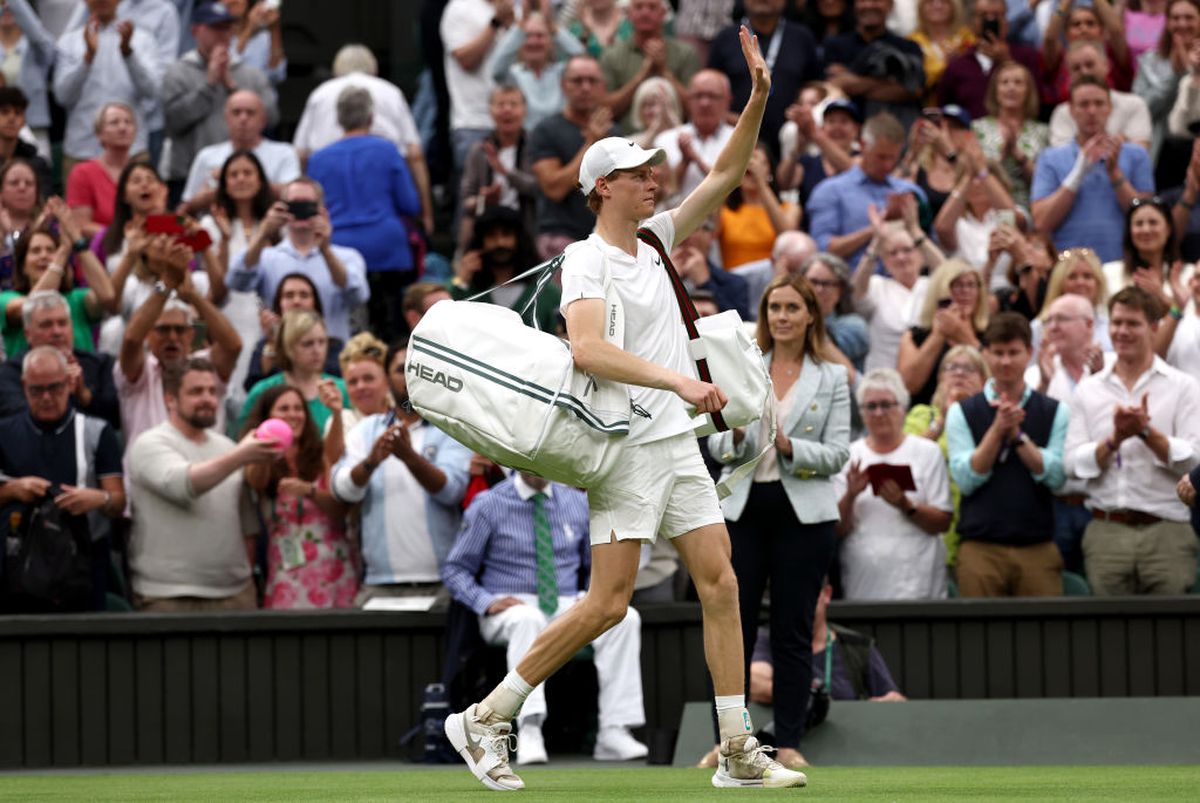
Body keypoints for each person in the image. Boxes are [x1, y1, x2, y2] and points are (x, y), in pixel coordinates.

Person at [443, 28, 809, 792]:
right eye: (639, 173)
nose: (654, 180)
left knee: (721, 581)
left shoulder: (657, 239)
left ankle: (737, 748)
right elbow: (585, 349)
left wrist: (760, 98)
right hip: (624, 447)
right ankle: (485, 715)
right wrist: (676, 382)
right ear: (603, 187)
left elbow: (726, 172)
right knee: (608, 602)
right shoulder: (586, 260)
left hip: (674, 443)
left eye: (652, 171)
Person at [708, 273, 850, 770]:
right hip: (743, 510)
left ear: (811, 315)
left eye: (792, 308)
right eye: (774, 308)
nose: (782, 317)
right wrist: (740, 437)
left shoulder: (832, 376)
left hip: (804, 516)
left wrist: (791, 447)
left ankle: (788, 741)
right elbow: (716, 444)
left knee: (792, 631)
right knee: (732, 628)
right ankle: (729, 743)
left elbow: (837, 454)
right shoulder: (744, 367)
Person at [443, 471, 648, 765]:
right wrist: (486, 602)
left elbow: (596, 564)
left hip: (566, 601)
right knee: (527, 619)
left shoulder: (577, 503)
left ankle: (614, 730)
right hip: (509, 604)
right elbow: (455, 569)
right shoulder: (488, 504)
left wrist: (591, 593)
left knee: (625, 618)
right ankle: (528, 728)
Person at [1064, 286, 1200, 594]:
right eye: (1116, 323)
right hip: (1106, 529)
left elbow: (1195, 463)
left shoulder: (1183, 387)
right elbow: (1071, 465)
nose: (1122, 331)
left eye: (1133, 323)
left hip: (1167, 530)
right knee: (1109, 637)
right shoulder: (1088, 389)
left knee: (1171, 635)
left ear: (1154, 327)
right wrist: (1114, 440)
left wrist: (1146, 433)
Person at [127, 356, 277, 611]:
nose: (208, 399)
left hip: (235, 595)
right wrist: (242, 455)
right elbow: (184, 485)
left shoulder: (227, 447)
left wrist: (245, 577)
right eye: (196, 391)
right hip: (168, 596)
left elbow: (247, 524)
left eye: (212, 391)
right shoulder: (149, 444)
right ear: (170, 399)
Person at [331, 341, 471, 600]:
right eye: (400, 369)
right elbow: (341, 489)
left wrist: (409, 457)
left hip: (442, 583)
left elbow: (452, 491)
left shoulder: (450, 428)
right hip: (379, 584)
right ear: (386, 379)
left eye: (417, 367)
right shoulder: (367, 429)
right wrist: (371, 462)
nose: (409, 374)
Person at [944, 313, 1068, 596]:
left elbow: (1057, 477)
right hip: (980, 549)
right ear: (985, 354)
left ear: (1030, 353)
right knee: (978, 637)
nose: (1005, 361)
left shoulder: (1054, 410)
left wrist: (1018, 437)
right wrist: (998, 430)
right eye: (998, 353)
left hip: (1037, 546)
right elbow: (965, 479)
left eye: (1014, 353)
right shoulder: (962, 411)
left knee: (1045, 635)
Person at [0, 346, 124, 612]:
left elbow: (118, 502)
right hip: (18, 566)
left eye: (55, 388)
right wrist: (12, 490)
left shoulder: (96, 431)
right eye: (36, 390)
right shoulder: (4, 432)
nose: (46, 397)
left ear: (70, 383)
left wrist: (97, 498)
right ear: (23, 386)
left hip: (83, 561)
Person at [117, 235, 241, 468]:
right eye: (163, 330)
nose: (172, 337)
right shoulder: (140, 371)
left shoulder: (204, 367)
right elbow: (132, 339)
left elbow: (233, 346)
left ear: (191, 335)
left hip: (206, 480)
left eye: (179, 330)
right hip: (147, 483)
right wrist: (166, 283)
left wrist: (193, 295)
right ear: (149, 334)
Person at [307, 87, 420, 342]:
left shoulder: (318, 159)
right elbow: (410, 204)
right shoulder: (387, 150)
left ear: (338, 120)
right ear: (371, 118)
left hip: (338, 252)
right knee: (392, 330)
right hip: (387, 250)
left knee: (347, 330)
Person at [834, 368, 955, 598]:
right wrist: (850, 495)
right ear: (861, 412)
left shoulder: (927, 452)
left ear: (902, 407)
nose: (879, 413)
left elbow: (943, 521)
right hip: (864, 582)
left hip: (919, 581)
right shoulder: (849, 456)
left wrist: (905, 504)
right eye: (871, 406)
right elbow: (837, 529)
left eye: (886, 404)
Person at [292, 44, 432, 237]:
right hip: (385, 204)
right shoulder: (391, 92)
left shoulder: (320, 94)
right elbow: (415, 154)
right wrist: (427, 214)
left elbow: (301, 154)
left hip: (330, 203)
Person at [242, 384, 356, 609]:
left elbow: (340, 508)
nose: (293, 415)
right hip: (286, 575)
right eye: (283, 409)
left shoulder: (320, 454)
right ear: (268, 416)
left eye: (298, 408)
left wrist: (310, 491)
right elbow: (256, 482)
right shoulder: (259, 458)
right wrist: (266, 444)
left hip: (334, 569)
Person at [227, 178, 369, 344]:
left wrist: (325, 250)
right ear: (282, 207)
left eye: (307, 205)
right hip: (283, 354)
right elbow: (236, 281)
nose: (301, 212)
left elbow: (358, 296)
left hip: (330, 354)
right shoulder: (267, 257)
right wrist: (263, 233)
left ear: (321, 210)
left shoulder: (347, 257)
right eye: (294, 205)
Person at [161, 1, 277, 202]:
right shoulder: (177, 72)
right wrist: (210, 85)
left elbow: (272, 117)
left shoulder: (250, 74)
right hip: (190, 177)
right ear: (196, 30)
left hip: (244, 178)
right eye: (214, 28)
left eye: (226, 28)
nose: (222, 34)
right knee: (188, 230)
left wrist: (233, 88)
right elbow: (173, 122)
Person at [1031, 76, 1154, 264]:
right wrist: (1078, 172)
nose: (1092, 111)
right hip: (1070, 271)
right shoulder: (1050, 158)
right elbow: (1041, 222)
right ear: (1071, 110)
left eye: (1099, 103)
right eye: (1083, 104)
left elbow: (1147, 219)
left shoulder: (1136, 154)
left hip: (1124, 267)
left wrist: (1116, 175)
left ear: (1110, 108)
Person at [1026, 294, 1110, 572]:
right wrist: (1045, 385)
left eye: (1062, 319)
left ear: (1088, 324)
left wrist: (1100, 381)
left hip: (1103, 506)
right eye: (1049, 321)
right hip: (1054, 504)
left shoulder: (1114, 367)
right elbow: (1023, 435)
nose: (1052, 327)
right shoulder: (1033, 377)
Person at [749, 581, 906, 706]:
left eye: (807, 593)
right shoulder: (765, 639)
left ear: (827, 594)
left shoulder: (857, 647)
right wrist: (812, 698)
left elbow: (895, 702)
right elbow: (756, 683)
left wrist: (890, 703)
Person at [52, 0, 162, 175]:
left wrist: (128, 53)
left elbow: (152, 92)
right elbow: (62, 96)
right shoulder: (69, 42)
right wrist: (87, 58)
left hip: (131, 151)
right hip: (82, 150)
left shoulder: (142, 39)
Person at [904, 345, 989, 568]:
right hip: (930, 521)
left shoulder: (992, 418)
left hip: (977, 525)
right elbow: (906, 458)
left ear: (983, 379)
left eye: (969, 368)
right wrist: (942, 420)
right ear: (940, 377)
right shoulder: (922, 414)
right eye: (951, 367)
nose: (959, 373)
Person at [806, 112, 928, 266]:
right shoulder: (830, 191)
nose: (888, 165)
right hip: (851, 284)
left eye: (893, 158)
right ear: (863, 145)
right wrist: (874, 231)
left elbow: (930, 249)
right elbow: (822, 251)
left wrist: (913, 227)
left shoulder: (910, 193)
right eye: (881, 157)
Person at [201, 148, 274, 402]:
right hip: (229, 314)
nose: (241, 179)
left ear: (260, 180)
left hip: (267, 316)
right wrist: (224, 239)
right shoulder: (209, 226)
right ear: (224, 183)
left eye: (247, 173)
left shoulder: (274, 224)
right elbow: (218, 286)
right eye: (234, 174)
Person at [527, 54, 617, 261]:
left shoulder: (614, 132)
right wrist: (591, 142)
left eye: (592, 81)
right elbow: (554, 189)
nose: (585, 87)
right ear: (563, 85)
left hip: (605, 241)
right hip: (561, 240)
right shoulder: (545, 130)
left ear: (602, 86)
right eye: (577, 81)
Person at [2, 202, 116, 356]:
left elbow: (108, 297)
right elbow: (33, 308)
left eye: (50, 250)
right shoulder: (6, 299)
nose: (44, 255)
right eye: (36, 251)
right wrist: (62, 251)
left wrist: (76, 239)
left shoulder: (77, 299)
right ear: (23, 266)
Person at [707, 0, 820, 150]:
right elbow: (709, 89)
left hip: (791, 140)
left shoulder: (802, 38)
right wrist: (725, 116)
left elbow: (815, 86)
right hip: (736, 138)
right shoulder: (725, 38)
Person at [0, 291, 119, 427]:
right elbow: (14, 419)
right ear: (28, 334)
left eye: (62, 323)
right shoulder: (8, 373)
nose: (57, 332)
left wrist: (85, 396)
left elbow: (117, 418)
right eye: (46, 325)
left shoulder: (100, 364)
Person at [851, 205, 941, 373]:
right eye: (892, 253)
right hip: (883, 381)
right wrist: (876, 242)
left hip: (927, 377)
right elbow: (855, 294)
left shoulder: (931, 285)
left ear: (920, 254)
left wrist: (915, 231)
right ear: (884, 261)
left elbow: (950, 276)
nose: (901, 257)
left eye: (907, 250)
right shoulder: (877, 285)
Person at [179, 90, 299, 214]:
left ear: (263, 120)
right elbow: (183, 211)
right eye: (236, 112)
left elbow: (294, 196)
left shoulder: (285, 152)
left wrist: (250, 181)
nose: (243, 118)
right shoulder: (207, 156)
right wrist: (213, 191)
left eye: (250, 113)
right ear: (226, 119)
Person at [450, 205, 562, 333]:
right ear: (480, 242)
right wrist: (460, 280)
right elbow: (442, 315)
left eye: (506, 234)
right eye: (492, 236)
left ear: (519, 240)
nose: (500, 243)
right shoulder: (466, 289)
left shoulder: (546, 292)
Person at [238, 309, 348, 436]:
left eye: (322, 342)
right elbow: (245, 437)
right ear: (289, 347)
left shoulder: (341, 389)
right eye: (308, 344)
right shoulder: (263, 390)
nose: (317, 350)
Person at [456, 84, 538, 254]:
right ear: (491, 111)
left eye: (513, 105)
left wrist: (506, 172)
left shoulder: (536, 147)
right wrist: (483, 199)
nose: (507, 110)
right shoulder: (479, 150)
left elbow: (540, 189)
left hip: (526, 224)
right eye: (500, 105)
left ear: (525, 111)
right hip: (488, 224)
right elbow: (466, 200)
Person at [821, 0, 927, 131]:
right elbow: (832, 85)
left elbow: (914, 90)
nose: (869, 5)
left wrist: (851, 80)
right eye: (863, 0)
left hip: (896, 132)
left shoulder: (908, 47)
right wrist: (890, 82)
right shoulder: (835, 45)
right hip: (846, 133)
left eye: (877, 0)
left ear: (890, 5)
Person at [898, 258, 989, 406]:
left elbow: (999, 377)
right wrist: (939, 334)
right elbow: (907, 386)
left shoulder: (991, 334)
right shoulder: (914, 337)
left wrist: (966, 337)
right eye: (958, 285)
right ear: (941, 291)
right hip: (925, 417)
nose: (966, 291)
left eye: (971, 285)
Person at [936, 0, 1044, 120]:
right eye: (983, 15)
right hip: (969, 135)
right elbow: (944, 111)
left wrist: (1007, 61)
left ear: (1006, 22)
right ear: (972, 23)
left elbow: (1037, 103)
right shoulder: (958, 66)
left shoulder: (1028, 57)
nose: (990, 20)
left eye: (997, 15)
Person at [600, 0, 698, 132]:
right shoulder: (611, 55)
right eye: (639, 7)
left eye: (652, 7)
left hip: (677, 139)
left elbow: (696, 108)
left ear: (664, 13)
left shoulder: (686, 53)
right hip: (628, 140)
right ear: (628, 14)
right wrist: (643, 74)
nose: (645, 13)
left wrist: (663, 70)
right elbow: (605, 111)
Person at [441, 0, 512, 175]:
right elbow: (466, 60)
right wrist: (496, 22)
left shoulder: (512, 7)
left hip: (515, 121)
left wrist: (512, 24)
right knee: (473, 195)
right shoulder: (459, 7)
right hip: (474, 122)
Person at [242, 272, 343, 393]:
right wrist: (272, 344)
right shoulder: (265, 345)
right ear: (279, 304)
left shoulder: (334, 345)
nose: (296, 301)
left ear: (315, 303)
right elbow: (253, 387)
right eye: (289, 296)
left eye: (304, 295)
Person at [486, 10, 584, 132]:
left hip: (560, 140)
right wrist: (519, 27)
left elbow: (583, 60)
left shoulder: (562, 73)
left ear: (550, 41)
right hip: (527, 143)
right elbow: (497, 70)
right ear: (519, 41)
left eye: (540, 36)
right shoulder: (514, 75)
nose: (534, 42)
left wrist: (554, 28)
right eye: (527, 36)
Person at [971, 61, 1049, 209]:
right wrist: (1001, 156)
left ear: (1028, 91)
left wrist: (1018, 155)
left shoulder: (1042, 132)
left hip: (1029, 207)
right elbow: (973, 174)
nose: (1011, 88)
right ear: (995, 91)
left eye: (1018, 83)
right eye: (1004, 82)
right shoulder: (977, 128)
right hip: (986, 207)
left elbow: (1046, 182)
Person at [1132, 0, 1200, 169]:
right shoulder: (1150, 61)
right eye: (1175, 18)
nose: (1182, 23)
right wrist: (1175, 77)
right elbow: (1142, 109)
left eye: (1189, 17)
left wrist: (1193, 73)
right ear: (1167, 22)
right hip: (1162, 148)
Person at [1048, 41, 1152, 151]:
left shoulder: (1134, 104)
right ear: (1069, 74)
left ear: (1106, 66)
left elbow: (1139, 155)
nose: (1084, 72)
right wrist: (1118, 144)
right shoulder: (1062, 112)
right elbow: (1061, 162)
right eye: (1076, 68)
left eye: (1090, 65)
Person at [717, 145, 801, 270]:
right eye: (746, 161)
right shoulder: (724, 210)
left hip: (773, 280)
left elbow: (786, 236)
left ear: (770, 171)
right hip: (735, 283)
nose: (752, 166)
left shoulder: (790, 208)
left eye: (761, 163)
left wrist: (761, 183)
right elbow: (709, 235)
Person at [655, 70, 735, 199]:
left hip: (723, 218)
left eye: (712, 96)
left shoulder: (738, 139)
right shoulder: (665, 140)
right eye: (698, 96)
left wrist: (696, 159)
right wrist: (684, 162)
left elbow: (734, 190)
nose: (705, 103)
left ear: (728, 101)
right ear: (688, 100)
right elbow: (663, 192)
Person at [1103, 197, 1193, 310]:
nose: (1145, 230)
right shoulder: (1108, 272)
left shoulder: (1190, 274)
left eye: (1153, 223)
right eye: (1139, 224)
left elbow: (1194, 321)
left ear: (1169, 229)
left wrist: (1162, 297)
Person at [65, 101, 138, 237]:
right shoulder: (82, 173)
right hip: (98, 251)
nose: (123, 127)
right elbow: (81, 225)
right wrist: (122, 237)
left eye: (128, 122)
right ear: (99, 133)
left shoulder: (143, 172)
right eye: (114, 123)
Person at [777, 95, 860, 211]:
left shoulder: (863, 159)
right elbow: (783, 183)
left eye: (844, 121)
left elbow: (853, 170)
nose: (837, 127)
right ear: (823, 127)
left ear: (856, 129)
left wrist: (815, 134)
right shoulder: (809, 162)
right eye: (831, 121)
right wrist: (798, 147)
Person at [321, 331, 392, 467]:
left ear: (387, 379)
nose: (360, 386)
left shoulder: (404, 415)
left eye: (368, 378)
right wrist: (336, 415)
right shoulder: (342, 420)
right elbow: (333, 462)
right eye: (353, 382)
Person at [1043, 0, 1133, 105]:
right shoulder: (1060, 58)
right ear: (1066, 33)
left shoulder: (1111, 54)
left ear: (1102, 31)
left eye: (1090, 23)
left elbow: (1116, 31)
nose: (1083, 28)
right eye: (1076, 24)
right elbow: (1049, 38)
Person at [1, 0, 57, 160]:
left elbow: (38, 37)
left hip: (35, 128)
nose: (6, 8)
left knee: (38, 176)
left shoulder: (37, 45)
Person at [1032, 247, 1114, 355]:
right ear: (1059, 283)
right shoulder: (1039, 328)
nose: (1080, 282)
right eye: (1072, 277)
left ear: (1098, 283)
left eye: (1087, 276)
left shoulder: (1111, 325)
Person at [669, 217, 752, 320]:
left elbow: (742, 325)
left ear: (709, 235)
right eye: (680, 230)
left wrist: (706, 284)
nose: (686, 237)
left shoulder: (735, 283)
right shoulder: (652, 278)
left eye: (692, 229)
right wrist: (668, 279)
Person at [801, 252, 868, 375]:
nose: (818, 289)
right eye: (813, 282)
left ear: (840, 290)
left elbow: (820, 353)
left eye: (826, 284)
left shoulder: (855, 325)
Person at [908, 0, 974, 102]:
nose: (937, 5)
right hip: (925, 106)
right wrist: (947, 66)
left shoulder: (968, 38)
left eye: (944, 1)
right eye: (930, 2)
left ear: (954, 7)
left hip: (963, 105)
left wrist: (961, 61)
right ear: (921, 8)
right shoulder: (911, 42)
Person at [0, 88, 52, 201]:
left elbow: (43, 204)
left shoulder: (38, 165)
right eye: (5, 112)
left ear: (24, 120)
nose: (11, 118)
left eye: (18, 113)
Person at [223, 0, 286, 84]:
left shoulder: (264, 38)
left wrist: (274, 29)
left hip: (259, 94)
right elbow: (230, 68)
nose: (235, 1)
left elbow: (277, 74)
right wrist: (250, 28)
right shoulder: (213, 34)